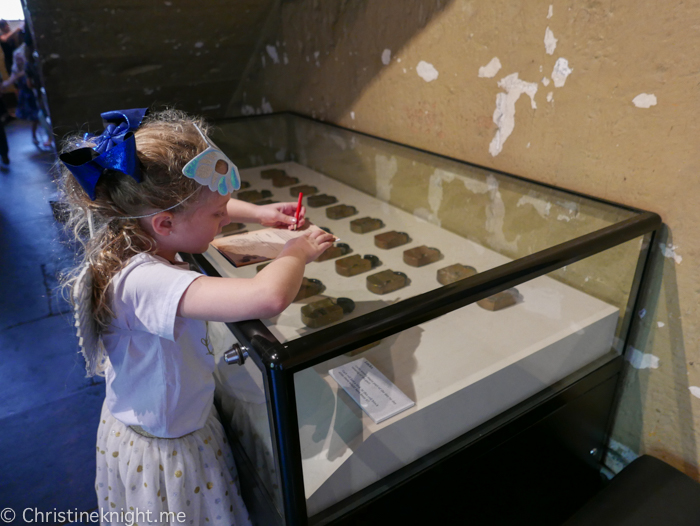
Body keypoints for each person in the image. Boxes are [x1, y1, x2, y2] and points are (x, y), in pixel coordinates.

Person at [58, 108, 334, 524]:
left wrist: (257, 214)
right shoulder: (144, 282)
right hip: (167, 454)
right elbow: (269, 296)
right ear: (165, 222)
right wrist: (298, 250)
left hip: (180, 422)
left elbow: (196, 205)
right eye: (218, 215)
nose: (224, 220)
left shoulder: (133, 227)